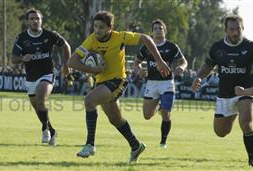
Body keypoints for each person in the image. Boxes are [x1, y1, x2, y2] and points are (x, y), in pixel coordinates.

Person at [67, 11, 170, 163]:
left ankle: (90, 145)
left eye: (101, 27)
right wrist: (94, 70)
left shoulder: (120, 37)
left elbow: (146, 38)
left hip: (117, 80)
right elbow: (71, 62)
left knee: (89, 101)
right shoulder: (91, 40)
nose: (97, 30)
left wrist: (159, 61)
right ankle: (136, 146)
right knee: (115, 119)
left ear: (110, 27)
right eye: (95, 26)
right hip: (101, 82)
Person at [191, 15, 253, 167]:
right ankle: (234, 113)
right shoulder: (217, 48)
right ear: (225, 30)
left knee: (246, 123)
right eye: (231, 29)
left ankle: (252, 160)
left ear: (243, 29)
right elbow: (207, 66)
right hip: (225, 95)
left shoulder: (252, 47)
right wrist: (198, 78)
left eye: (238, 29)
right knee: (221, 132)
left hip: (247, 92)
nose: (235, 32)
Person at [12, 8, 71, 146]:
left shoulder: (50, 35)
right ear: (28, 21)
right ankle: (52, 130)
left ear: (41, 20)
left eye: (37, 18)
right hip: (31, 77)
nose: (35, 21)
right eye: (32, 19)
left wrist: (66, 66)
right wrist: (22, 58)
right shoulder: (21, 38)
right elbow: (13, 59)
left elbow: (66, 46)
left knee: (41, 97)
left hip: (48, 73)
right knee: (38, 108)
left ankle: (44, 129)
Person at [134, 19, 187, 148]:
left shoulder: (172, 46)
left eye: (160, 28)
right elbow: (136, 63)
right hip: (151, 83)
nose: (158, 30)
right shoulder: (146, 46)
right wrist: (139, 70)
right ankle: (159, 104)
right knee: (147, 116)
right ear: (151, 32)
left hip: (167, 83)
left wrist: (181, 68)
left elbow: (183, 61)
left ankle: (163, 142)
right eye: (155, 28)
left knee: (165, 113)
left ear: (165, 31)